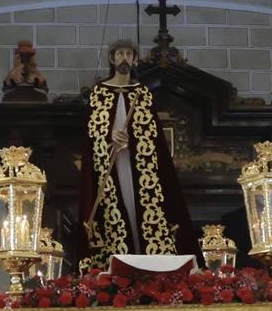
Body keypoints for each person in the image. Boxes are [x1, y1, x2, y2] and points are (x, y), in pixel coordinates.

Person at [78, 39, 197, 269]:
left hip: (140, 166)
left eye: (129, 54)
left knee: (144, 210)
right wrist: (109, 139)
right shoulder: (99, 93)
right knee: (113, 210)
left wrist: (133, 141)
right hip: (110, 166)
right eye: (120, 54)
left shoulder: (142, 94)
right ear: (112, 59)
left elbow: (152, 136)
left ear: (134, 59)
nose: (124, 58)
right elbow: (92, 136)